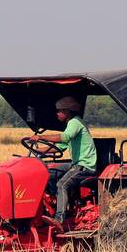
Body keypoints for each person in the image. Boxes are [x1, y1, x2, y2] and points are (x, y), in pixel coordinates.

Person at [38, 96, 97, 226]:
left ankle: (59, 218)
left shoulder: (75, 122)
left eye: (59, 111)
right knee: (49, 172)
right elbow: (60, 147)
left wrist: (41, 137)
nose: (57, 114)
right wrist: (39, 151)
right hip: (75, 163)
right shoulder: (71, 125)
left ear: (67, 111)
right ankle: (57, 202)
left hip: (85, 165)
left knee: (62, 184)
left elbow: (64, 138)